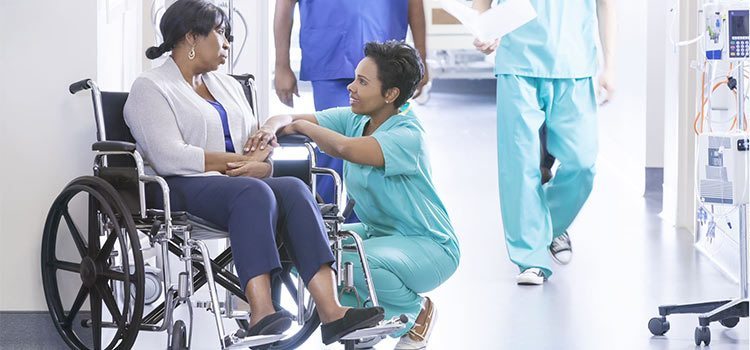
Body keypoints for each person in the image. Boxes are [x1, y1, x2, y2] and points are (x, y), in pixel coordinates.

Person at [122, 0, 383, 344]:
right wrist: (238, 165)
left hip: (237, 185)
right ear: (191, 37)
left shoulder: (226, 85)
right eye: (220, 33)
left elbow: (254, 139)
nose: (228, 43)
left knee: (293, 188)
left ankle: (332, 311)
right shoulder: (151, 87)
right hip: (177, 185)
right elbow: (169, 156)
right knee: (254, 192)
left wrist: (262, 162)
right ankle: (261, 312)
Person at [249, 41, 460, 349]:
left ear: (390, 95)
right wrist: (269, 129)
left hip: (428, 244)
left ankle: (416, 314)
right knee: (305, 247)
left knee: (353, 260)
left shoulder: (406, 135)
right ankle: (363, 327)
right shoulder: (357, 119)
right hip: (378, 233)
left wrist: (304, 128)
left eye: (362, 82)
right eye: (355, 78)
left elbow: (345, 148)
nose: (351, 87)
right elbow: (287, 118)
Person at [472, 0, 616, 285]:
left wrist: (610, 65)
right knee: (519, 166)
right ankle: (530, 259)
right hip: (518, 61)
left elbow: (607, 5)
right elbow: (482, 4)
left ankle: (544, 226)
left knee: (582, 163)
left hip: (575, 63)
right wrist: (484, 30)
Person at [273, 0, 430, 214]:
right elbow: (284, 4)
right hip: (330, 54)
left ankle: (364, 230)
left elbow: (415, 4)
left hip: (385, 61)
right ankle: (322, 226)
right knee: (330, 152)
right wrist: (281, 64)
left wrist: (421, 58)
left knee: (377, 156)